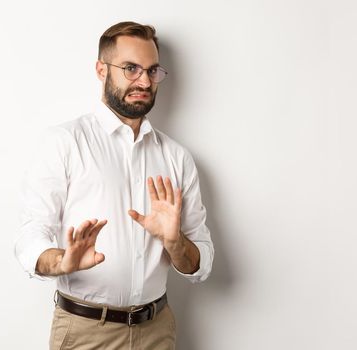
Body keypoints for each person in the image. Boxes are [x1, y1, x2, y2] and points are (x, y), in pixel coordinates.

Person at [14, 21, 214, 349]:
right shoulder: (65, 142)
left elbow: (200, 262)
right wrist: (62, 261)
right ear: (101, 70)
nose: (144, 81)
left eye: (152, 71)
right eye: (131, 68)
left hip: (157, 330)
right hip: (85, 331)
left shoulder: (177, 158)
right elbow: (29, 235)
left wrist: (174, 241)